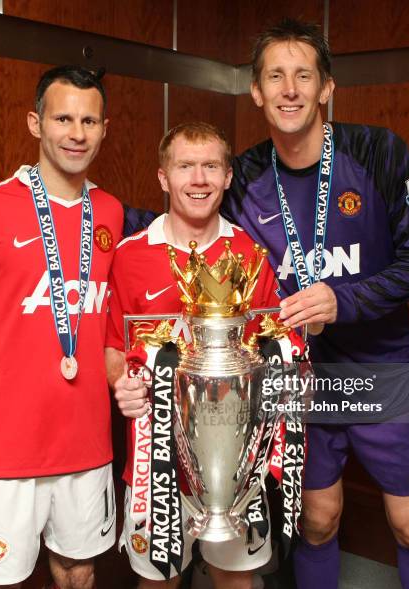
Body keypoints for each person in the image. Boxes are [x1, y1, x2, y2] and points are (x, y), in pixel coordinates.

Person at [221, 18, 409, 589]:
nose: (289, 89)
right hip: (301, 379)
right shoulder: (242, 175)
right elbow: (184, 223)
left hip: (382, 368)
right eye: (276, 76)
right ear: (257, 91)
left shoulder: (378, 151)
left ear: (327, 87)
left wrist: (341, 302)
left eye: (303, 76)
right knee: (317, 522)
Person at [0, 65, 123, 589]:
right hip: (2, 452)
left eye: (89, 120)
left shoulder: (110, 213)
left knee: (79, 570)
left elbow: (109, 328)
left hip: (88, 447)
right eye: (62, 118)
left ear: (104, 128)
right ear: (35, 123)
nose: (77, 133)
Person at [105, 122, 280, 589]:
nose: (198, 179)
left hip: (234, 460)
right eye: (185, 166)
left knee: (235, 578)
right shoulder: (129, 255)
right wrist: (120, 384)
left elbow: (270, 348)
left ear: (227, 177)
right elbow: (111, 345)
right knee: (159, 581)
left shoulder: (251, 254)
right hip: (155, 459)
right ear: (164, 177)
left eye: (210, 167)